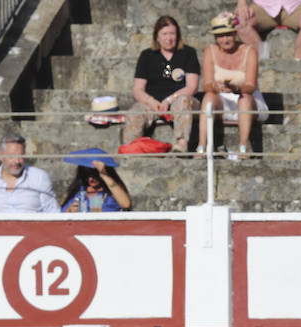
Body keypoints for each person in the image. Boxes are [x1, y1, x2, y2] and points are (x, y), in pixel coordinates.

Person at [121, 16, 200, 154]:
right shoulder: (147, 55)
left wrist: (170, 100)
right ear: (157, 36)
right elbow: (138, 89)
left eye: (172, 34)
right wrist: (151, 102)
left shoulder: (188, 53)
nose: (168, 38)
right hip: (153, 103)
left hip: (179, 99)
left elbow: (192, 87)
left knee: (183, 102)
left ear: (178, 35)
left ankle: (181, 144)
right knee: (135, 111)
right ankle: (132, 147)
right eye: (164, 34)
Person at [198, 13, 267, 159]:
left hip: (247, 100)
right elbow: (207, 84)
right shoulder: (210, 51)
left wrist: (235, 88)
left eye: (228, 34)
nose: (225, 39)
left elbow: (250, 85)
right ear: (216, 38)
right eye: (221, 36)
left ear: (235, 34)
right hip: (222, 102)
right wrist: (217, 88)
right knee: (208, 97)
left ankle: (243, 146)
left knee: (244, 98)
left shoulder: (249, 51)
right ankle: (201, 147)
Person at [0, 133, 59, 213]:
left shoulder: (40, 177)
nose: (17, 161)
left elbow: (53, 213)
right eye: (11, 156)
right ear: (1, 156)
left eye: (21, 156)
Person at [234, 0, 301, 60]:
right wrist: (242, 3)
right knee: (241, 22)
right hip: (264, 6)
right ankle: (266, 62)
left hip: (297, 5)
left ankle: (297, 64)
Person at [60, 148, 132, 212]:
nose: (91, 179)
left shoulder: (111, 191)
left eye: (95, 175)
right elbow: (61, 217)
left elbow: (126, 204)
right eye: (87, 175)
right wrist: (69, 211)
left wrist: (104, 175)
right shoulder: (79, 193)